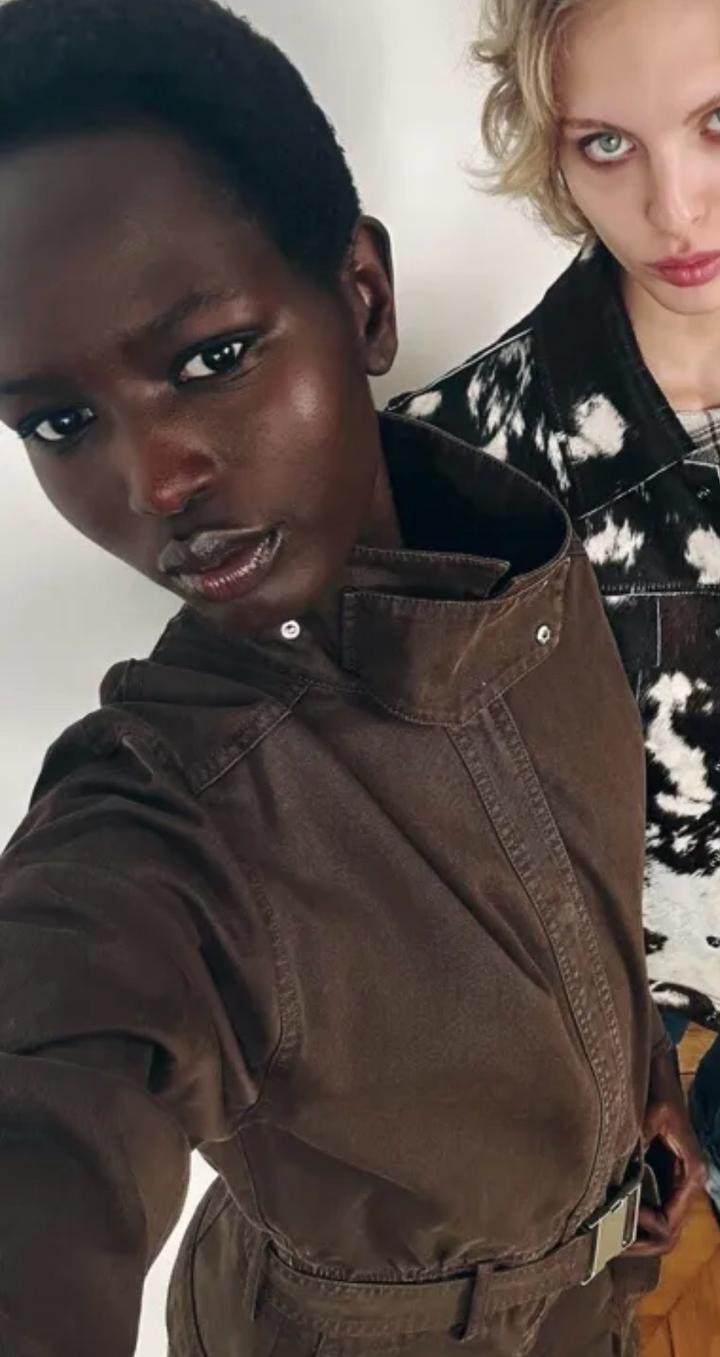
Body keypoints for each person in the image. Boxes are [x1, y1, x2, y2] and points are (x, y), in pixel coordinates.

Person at [0, 1, 701, 1355]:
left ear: (364, 299)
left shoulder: (527, 555)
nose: (152, 481)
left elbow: (581, 897)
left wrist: (642, 1091)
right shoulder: (161, 810)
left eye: (211, 359)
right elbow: (56, 1049)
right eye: (60, 421)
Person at [392, 0, 720, 1216]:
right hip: (622, 996)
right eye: (609, 144)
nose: (675, 209)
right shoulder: (460, 468)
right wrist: (620, 1051)